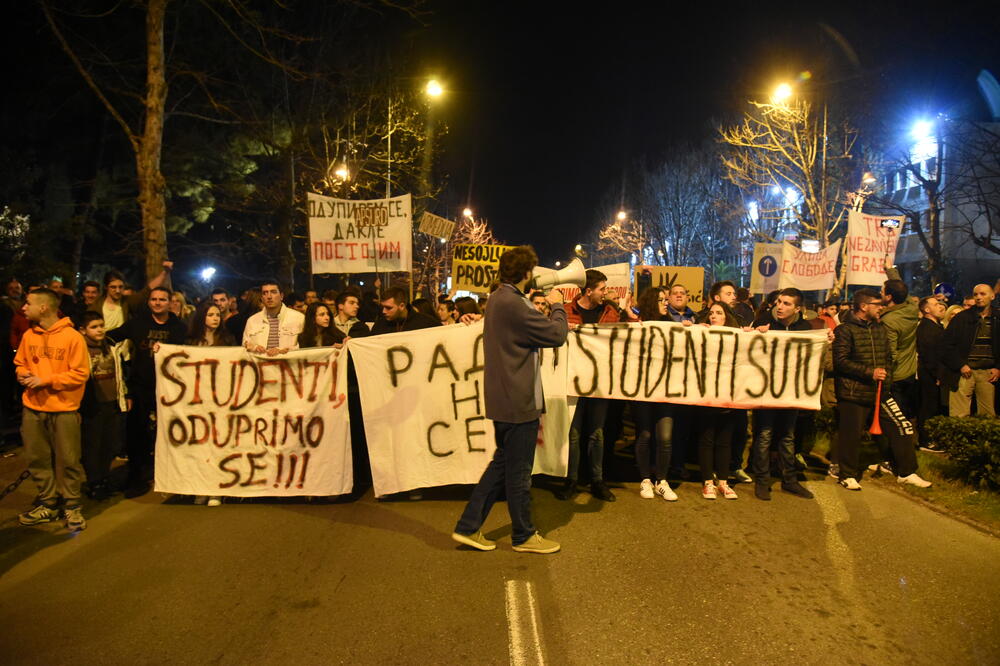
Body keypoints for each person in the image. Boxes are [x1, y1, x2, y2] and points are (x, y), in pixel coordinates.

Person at [452, 246, 567, 554]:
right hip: (519, 402)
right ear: (526, 273)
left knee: (502, 465)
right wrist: (558, 307)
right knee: (518, 473)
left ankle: (468, 527)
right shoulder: (515, 304)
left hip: (504, 399)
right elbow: (557, 336)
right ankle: (524, 535)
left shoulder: (499, 300)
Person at [833, 289, 931, 490]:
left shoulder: (880, 328)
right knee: (851, 436)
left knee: (902, 426)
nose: (882, 308)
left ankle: (906, 472)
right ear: (863, 306)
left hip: (880, 392)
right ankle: (847, 474)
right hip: (853, 393)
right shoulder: (844, 330)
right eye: (877, 304)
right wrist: (870, 372)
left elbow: (887, 358)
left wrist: (885, 382)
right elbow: (841, 362)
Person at [15, 288, 91, 531]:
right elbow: (20, 363)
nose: (23, 308)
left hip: (64, 408)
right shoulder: (29, 335)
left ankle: (71, 505)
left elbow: (81, 374)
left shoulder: (72, 337)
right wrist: (22, 374)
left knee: (68, 459)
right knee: (37, 458)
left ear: (44, 307)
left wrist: (46, 381)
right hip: (33, 407)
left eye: (28, 303)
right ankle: (47, 503)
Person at [105, 287, 188, 495]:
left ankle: (169, 477)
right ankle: (135, 478)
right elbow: (111, 337)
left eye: (162, 299)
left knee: (169, 433)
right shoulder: (137, 323)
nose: (158, 303)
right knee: (136, 434)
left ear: (171, 302)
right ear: (149, 302)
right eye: (154, 299)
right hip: (140, 387)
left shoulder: (179, 327)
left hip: (170, 390)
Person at [558, 269, 623, 502]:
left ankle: (597, 480)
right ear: (589, 291)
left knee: (597, 433)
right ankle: (571, 480)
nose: (606, 293)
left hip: (599, 383)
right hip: (572, 381)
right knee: (573, 434)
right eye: (602, 289)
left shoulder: (610, 313)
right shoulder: (566, 312)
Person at [748, 288, 818, 501]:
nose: (780, 306)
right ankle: (762, 481)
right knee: (765, 435)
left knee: (787, 436)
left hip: (790, 392)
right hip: (766, 389)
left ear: (798, 308)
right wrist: (753, 333)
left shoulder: (805, 328)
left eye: (787, 303)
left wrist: (824, 341)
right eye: (779, 301)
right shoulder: (764, 322)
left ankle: (790, 480)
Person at [77, 312, 129, 501]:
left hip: (112, 402)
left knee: (109, 444)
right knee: (92, 445)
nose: (99, 330)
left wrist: (124, 395)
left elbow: (121, 371)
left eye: (101, 325)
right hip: (92, 405)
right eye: (94, 327)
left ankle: (105, 477)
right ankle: (94, 481)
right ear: (82, 330)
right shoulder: (79, 348)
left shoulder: (111, 346)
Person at [632, 287, 678, 501]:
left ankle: (662, 480)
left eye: (666, 299)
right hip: (642, 389)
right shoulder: (637, 326)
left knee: (665, 437)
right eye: (661, 300)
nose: (666, 303)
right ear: (651, 302)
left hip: (665, 389)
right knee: (645, 434)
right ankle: (645, 479)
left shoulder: (672, 326)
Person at [696, 302, 743, 500]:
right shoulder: (700, 335)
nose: (713, 316)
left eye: (718, 313)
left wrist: (755, 334)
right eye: (711, 313)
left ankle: (723, 481)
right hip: (707, 395)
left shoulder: (737, 336)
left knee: (725, 440)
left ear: (726, 317)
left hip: (728, 395)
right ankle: (708, 482)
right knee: (707, 439)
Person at [941, 283, 999, 417]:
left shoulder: (997, 317)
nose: (978, 297)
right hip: (964, 371)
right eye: (975, 294)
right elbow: (946, 345)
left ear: (992, 296)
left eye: (982, 294)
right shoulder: (962, 317)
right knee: (959, 415)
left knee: (987, 415)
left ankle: (984, 438)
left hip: (988, 372)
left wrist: (998, 367)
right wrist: (960, 364)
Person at [880, 277, 919, 418]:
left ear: (889, 297)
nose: (880, 294)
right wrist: (891, 271)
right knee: (907, 413)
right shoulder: (912, 309)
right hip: (909, 370)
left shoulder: (889, 320)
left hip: (896, 375)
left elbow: (891, 352)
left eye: (882, 291)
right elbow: (904, 294)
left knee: (895, 416)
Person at [916, 296, 947, 452]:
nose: (940, 307)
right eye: (935, 304)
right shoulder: (926, 328)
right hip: (930, 374)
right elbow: (930, 355)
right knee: (928, 406)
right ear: (927, 310)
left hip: (935, 373)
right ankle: (925, 441)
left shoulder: (937, 326)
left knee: (934, 406)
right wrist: (938, 375)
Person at [243, 280, 305, 355]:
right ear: (262, 298)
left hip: (289, 365)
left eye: (273, 292)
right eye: (265, 293)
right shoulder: (252, 320)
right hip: (260, 365)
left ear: (281, 296)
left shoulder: (299, 318)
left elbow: (305, 347)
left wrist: (283, 351)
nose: (269, 296)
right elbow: (244, 347)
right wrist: (254, 348)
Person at [371, 287, 440, 334]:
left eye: (388, 308)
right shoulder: (379, 326)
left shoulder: (426, 323)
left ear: (402, 306)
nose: (384, 311)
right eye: (382, 307)